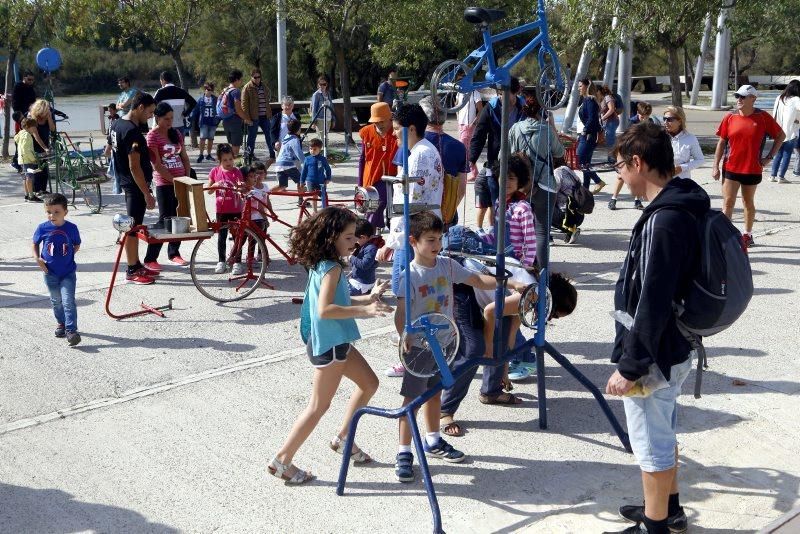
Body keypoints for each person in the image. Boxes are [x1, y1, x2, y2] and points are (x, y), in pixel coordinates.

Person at [602, 121, 711, 534]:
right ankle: (671, 508)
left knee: (651, 444)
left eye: (619, 167)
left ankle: (656, 524)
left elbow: (654, 299)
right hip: (676, 344)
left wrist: (630, 366)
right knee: (663, 431)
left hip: (656, 352)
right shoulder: (685, 201)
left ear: (637, 162)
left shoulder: (664, 221)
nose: (618, 176)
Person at [268, 207, 392, 485]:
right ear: (332, 237)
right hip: (331, 346)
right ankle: (282, 461)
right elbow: (325, 309)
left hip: (336, 342)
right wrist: (365, 312)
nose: (355, 243)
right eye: (349, 238)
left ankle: (343, 438)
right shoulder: (333, 268)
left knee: (369, 383)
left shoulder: (323, 263)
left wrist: (368, 299)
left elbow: (335, 303)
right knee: (317, 406)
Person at [393, 211, 512, 482]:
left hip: (445, 343)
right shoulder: (408, 275)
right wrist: (405, 336)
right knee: (412, 400)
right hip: (421, 348)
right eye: (430, 240)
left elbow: (476, 280)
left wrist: (506, 280)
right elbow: (400, 313)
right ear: (413, 241)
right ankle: (403, 452)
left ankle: (433, 440)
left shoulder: (446, 265)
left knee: (435, 394)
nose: (436, 245)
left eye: (440, 239)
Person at [440, 263, 577, 436]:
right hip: (465, 289)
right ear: (552, 302)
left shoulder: (538, 289)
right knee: (474, 350)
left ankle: (491, 391)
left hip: (491, 296)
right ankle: (444, 410)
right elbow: (490, 312)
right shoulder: (533, 295)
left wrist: (504, 368)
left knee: (503, 335)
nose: (551, 317)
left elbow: (510, 335)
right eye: (554, 314)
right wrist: (488, 345)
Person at [382, 103, 444, 378]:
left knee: (405, 301)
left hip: (412, 236)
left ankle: (411, 359)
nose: (394, 135)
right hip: (421, 232)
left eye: (396, 130)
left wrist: (391, 241)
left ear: (411, 129)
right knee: (418, 300)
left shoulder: (419, 155)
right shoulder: (427, 151)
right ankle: (422, 355)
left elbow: (410, 204)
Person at [712, 85, 784, 248]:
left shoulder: (763, 117)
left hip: (752, 168)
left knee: (747, 202)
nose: (739, 100)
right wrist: (715, 165)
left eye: (743, 97)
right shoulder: (729, 117)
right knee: (728, 203)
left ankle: (747, 235)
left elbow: (781, 135)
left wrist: (769, 157)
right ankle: (726, 236)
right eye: (737, 96)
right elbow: (722, 141)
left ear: (753, 99)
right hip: (731, 167)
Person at [508, 89, 565, 269]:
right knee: (541, 232)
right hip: (545, 185)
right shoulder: (546, 130)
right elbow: (560, 152)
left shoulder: (515, 129)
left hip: (521, 187)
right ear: (542, 111)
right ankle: (543, 274)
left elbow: (507, 156)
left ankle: (523, 268)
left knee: (521, 231)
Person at [108, 92, 160, 285]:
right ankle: (131, 269)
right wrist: (147, 194)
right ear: (140, 108)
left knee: (134, 224)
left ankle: (136, 263)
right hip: (134, 185)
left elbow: (111, 148)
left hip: (126, 182)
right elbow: (134, 166)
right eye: (150, 112)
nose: (151, 116)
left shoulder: (116, 124)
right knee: (132, 227)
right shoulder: (132, 131)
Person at [470, 77, 525, 229]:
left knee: (518, 199)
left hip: (517, 161)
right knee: (497, 200)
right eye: (502, 95)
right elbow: (479, 134)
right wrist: (472, 159)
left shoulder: (523, 107)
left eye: (509, 95)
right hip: (496, 161)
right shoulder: (491, 108)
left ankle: (516, 229)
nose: (506, 99)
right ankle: (499, 231)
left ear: (516, 93)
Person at [143, 102, 192, 271]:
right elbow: (156, 165)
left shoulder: (176, 133)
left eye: (172, 118)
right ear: (157, 118)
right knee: (165, 219)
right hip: (164, 183)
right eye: (166, 119)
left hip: (181, 181)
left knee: (180, 218)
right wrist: (173, 180)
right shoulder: (152, 136)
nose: (170, 122)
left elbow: (184, 157)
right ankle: (150, 258)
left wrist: (186, 176)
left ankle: (174, 253)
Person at [32, 193, 82, 346]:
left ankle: (71, 330)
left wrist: (68, 256)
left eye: (56, 212)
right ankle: (61, 323)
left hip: (68, 272)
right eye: (49, 212)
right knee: (56, 301)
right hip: (50, 272)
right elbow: (35, 243)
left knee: (68, 301)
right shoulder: (42, 228)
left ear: (65, 212)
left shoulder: (72, 228)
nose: (52, 215)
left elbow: (77, 244)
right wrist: (37, 259)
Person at [419, 96, 469, 226]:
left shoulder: (412, 144)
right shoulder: (459, 147)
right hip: (447, 215)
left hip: (417, 217)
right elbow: (461, 189)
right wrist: (447, 212)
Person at [609, 102, 660, 210]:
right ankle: (613, 199)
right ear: (638, 113)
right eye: (642, 116)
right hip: (628, 152)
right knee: (621, 176)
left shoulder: (650, 122)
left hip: (642, 153)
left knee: (639, 175)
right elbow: (625, 139)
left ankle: (637, 200)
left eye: (646, 117)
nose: (644, 119)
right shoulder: (631, 122)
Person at [357, 102, 398, 230]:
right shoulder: (366, 132)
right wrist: (360, 184)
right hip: (371, 179)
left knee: (394, 215)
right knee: (371, 211)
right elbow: (362, 159)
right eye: (376, 122)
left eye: (382, 121)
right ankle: (371, 237)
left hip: (394, 179)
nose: (379, 124)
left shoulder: (398, 132)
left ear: (390, 119)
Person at [207, 143, 245, 275]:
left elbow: (241, 188)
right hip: (221, 211)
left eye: (230, 159)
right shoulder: (215, 171)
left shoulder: (237, 172)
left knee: (237, 237)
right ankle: (221, 261)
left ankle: (237, 262)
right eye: (225, 160)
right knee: (221, 237)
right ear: (219, 160)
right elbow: (209, 191)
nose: (228, 162)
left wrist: (240, 188)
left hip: (236, 210)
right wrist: (216, 185)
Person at [576, 79, 605, 193]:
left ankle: (598, 181)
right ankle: (586, 190)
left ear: (587, 86)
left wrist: (585, 130)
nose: (578, 88)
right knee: (586, 164)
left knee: (581, 163)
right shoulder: (586, 100)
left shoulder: (590, 100)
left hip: (588, 136)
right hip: (587, 135)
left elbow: (593, 119)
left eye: (580, 86)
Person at [769, 80, 800, 183]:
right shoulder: (796, 99)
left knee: (778, 154)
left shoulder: (779, 98)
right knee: (787, 155)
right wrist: (797, 120)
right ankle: (781, 177)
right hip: (789, 132)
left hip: (778, 131)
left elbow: (775, 113)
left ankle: (772, 175)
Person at [242, 68, 275, 161]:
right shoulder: (247, 88)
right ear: (251, 77)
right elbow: (244, 105)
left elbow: (267, 99)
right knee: (252, 137)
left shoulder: (264, 86)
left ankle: (272, 154)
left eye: (258, 77)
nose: (257, 79)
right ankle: (249, 155)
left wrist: (269, 112)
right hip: (253, 117)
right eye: (255, 77)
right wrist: (247, 118)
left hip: (265, 116)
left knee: (269, 135)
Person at [663, 105, 704, 181]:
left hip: (682, 182)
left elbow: (700, 160)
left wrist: (681, 168)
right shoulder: (659, 137)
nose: (665, 122)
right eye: (664, 119)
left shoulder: (690, 138)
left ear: (679, 121)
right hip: (661, 182)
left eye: (670, 119)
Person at [28, 99, 56, 197]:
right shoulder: (31, 118)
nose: (47, 111)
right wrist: (45, 148)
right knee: (37, 168)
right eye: (45, 110)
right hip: (34, 145)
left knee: (44, 169)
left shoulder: (47, 116)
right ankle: (36, 190)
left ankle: (43, 189)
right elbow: (36, 136)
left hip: (45, 142)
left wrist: (49, 118)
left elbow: (52, 129)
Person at [218, 70, 249, 157]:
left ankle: (230, 164)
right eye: (241, 79)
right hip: (234, 121)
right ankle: (233, 168)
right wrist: (247, 119)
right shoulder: (236, 91)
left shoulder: (225, 90)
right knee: (236, 147)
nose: (241, 81)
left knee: (232, 145)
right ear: (236, 80)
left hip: (225, 121)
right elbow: (238, 109)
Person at [11, 71, 37, 173]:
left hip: (30, 116)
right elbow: (15, 104)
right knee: (21, 140)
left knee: (30, 139)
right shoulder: (18, 87)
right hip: (21, 118)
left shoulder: (31, 88)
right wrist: (21, 118)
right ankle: (16, 162)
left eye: (32, 80)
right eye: (29, 79)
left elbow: (33, 102)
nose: (31, 82)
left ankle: (26, 161)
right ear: (24, 78)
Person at [456, 88, 484, 183]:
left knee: (464, 150)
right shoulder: (459, 92)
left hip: (469, 125)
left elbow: (481, 110)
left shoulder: (474, 93)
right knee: (466, 150)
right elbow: (456, 106)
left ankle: (467, 173)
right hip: (461, 124)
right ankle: (474, 173)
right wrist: (458, 118)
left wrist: (474, 123)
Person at [348, 219, 381, 296]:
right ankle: (370, 290)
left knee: (341, 294)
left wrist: (351, 258)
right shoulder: (362, 245)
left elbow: (365, 265)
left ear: (363, 237)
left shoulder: (370, 248)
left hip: (362, 283)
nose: (353, 241)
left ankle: (370, 291)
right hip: (359, 280)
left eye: (354, 238)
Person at [272, 119, 304, 196]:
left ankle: (266, 193)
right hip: (288, 164)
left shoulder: (286, 137)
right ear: (297, 129)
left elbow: (289, 153)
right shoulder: (294, 139)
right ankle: (301, 200)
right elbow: (299, 154)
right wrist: (307, 162)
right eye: (300, 128)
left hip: (279, 164)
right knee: (301, 181)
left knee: (282, 185)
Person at [14, 117, 43, 202]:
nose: (35, 128)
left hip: (22, 160)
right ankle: (31, 196)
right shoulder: (27, 135)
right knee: (30, 178)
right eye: (34, 127)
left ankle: (26, 195)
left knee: (25, 178)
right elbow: (26, 149)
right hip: (27, 160)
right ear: (28, 126)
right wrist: (33, 159)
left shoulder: (21, 133)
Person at [300, 138, 332, 212]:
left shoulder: (323, 159)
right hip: (310, 182)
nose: (312, 151)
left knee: (324, 196)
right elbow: (304, 171)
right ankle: (315, 212)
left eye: (315, 149)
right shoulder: (307, 159)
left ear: (320, 149)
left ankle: (325, 211)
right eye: (311, 149)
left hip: (321, 182)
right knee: (313, 197)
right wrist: (302, 181)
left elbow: (328, 169)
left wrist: (328, 178)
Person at [192, 82, 218, 162]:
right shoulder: (201, 100)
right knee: (202, 138)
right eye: (207, 89)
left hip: (212, 122)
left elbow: (219, 110)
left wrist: (218, 119)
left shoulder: (215, 99)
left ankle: (209, 155)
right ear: (205, 90)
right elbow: (195, 111)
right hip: (203, 122)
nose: (209, 91)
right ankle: (201, 155)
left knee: (211, 139)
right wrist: (190, 118)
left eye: (211, 90)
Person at [598, 85, 620, 163]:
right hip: (608, 123)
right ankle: (611, 158)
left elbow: (611, 109)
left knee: (610, 141)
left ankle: (613, 159)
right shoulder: (602, 99)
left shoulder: (608, 97)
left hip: (611, 122)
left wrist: (602, 118)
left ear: (599, 91)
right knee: (609, 140)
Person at [310, 75, 334, 144]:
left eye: (324, 84)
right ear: (318, 85)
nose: (322, 86)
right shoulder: (316, 95)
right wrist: (313, 122)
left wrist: (333, 119)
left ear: (327, 84)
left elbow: (331, 107)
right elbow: (314, 109)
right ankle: (324, 153)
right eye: (321, 84)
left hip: (328, 119)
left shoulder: (328, 93)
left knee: (325, 137)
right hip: (320, 119)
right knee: (322, 138)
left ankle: (321, 152)